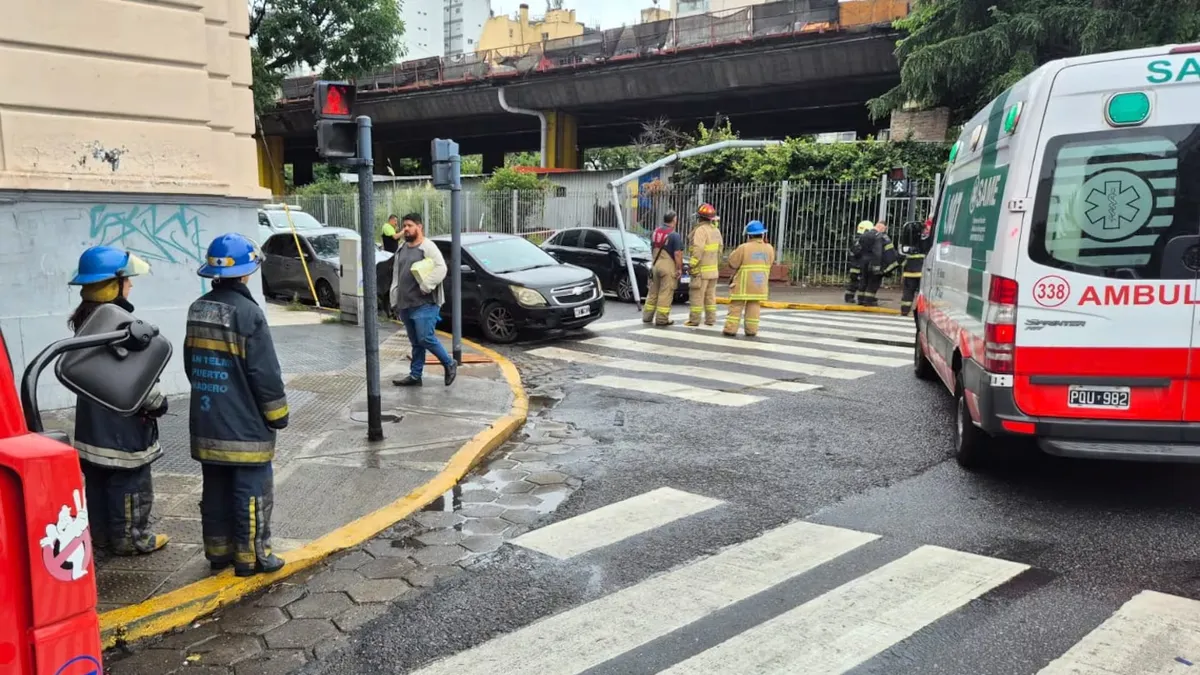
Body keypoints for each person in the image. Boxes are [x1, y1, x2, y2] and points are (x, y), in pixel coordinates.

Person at [185, 232, 288, 577]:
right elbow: (265, 373)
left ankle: (219, 552)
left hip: (207, 421)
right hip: (244, 427)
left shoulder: (197, 309)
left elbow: (191, 363)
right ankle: (253, 557)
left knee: (214, 488)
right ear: (247, 272)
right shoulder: (249, 314)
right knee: (252, 491)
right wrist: (278, 415)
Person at [67, 246, 170, 556]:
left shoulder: (85, 325)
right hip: (121, 429)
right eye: (127, 279)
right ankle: (133, 539)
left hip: (90, 429)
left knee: (97, 484)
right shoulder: (122, 327)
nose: (132, 285)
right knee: (130, 486)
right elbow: (137, 379)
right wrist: (158, 403)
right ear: (114, 284)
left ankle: (100, 537)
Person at [389, 213, 457, 387]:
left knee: (425, 337)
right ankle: (415, 376)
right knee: (416, 342)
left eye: (410, 225)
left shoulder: (428, 247)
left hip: (425, 304)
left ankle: (449, 363)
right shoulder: (402, 248)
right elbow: (397, 275)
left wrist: (427, 285)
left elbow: (441, 268)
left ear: (419, 227)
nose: (406, 229)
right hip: (406, 304)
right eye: (404, 226)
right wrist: (395, 299)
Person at [723, 220, 775, 337]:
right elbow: (770, 263)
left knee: (736, 306)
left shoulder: (743, 247)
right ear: (763, 234)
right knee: (754, 306)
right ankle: (751, 330)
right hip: (759, 284)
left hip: (743, 284)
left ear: (749, 235)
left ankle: (730, 329)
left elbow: (733, 263)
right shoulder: (769, 248)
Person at [642, 211, 684, 326]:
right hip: (667, 266)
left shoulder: (656, 232)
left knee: (653, 292)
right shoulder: (674, 235)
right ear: (674, 220)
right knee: (665, 293)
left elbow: (652, 248)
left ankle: (647, 316)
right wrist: (679, 268)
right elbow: (677, 254)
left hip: (655, 264)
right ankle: (661, 319)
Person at [685, 203, 722, 327]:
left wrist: (692, 264)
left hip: (701, 271)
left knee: (697, 296)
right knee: (710, 297)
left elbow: (698, 249)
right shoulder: (716, 230)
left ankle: (694, 320)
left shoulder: (700, 230)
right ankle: (710, 320)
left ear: (700, 217)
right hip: (713, 271)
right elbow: (720, 249)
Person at [898, 218, 934, 316]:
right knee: (922, 294)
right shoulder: (932, 239)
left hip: (910, 271)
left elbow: (902, 255)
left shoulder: (912, 238)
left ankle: (904, 311)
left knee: (908, 293)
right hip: (924, 272)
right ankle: (919, 313)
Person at [853, 221, 886, 307]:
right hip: (872, 261)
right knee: (873, 281)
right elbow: (877, 252)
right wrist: (877, 266)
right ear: (881, 228)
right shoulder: (878, 236)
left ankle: (860, 299)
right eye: (884, 230)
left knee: (863, 280)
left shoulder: (864, 235)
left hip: (863, 261)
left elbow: (858, 249)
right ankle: (868, 300)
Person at [844, 220, 873, 303]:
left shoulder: (857, 239)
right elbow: (858, 252)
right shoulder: (859, 240)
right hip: (857, 265)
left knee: (855, 282)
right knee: (856, 283)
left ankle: (850, 297)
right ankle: (851, 298)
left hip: (856, 264)